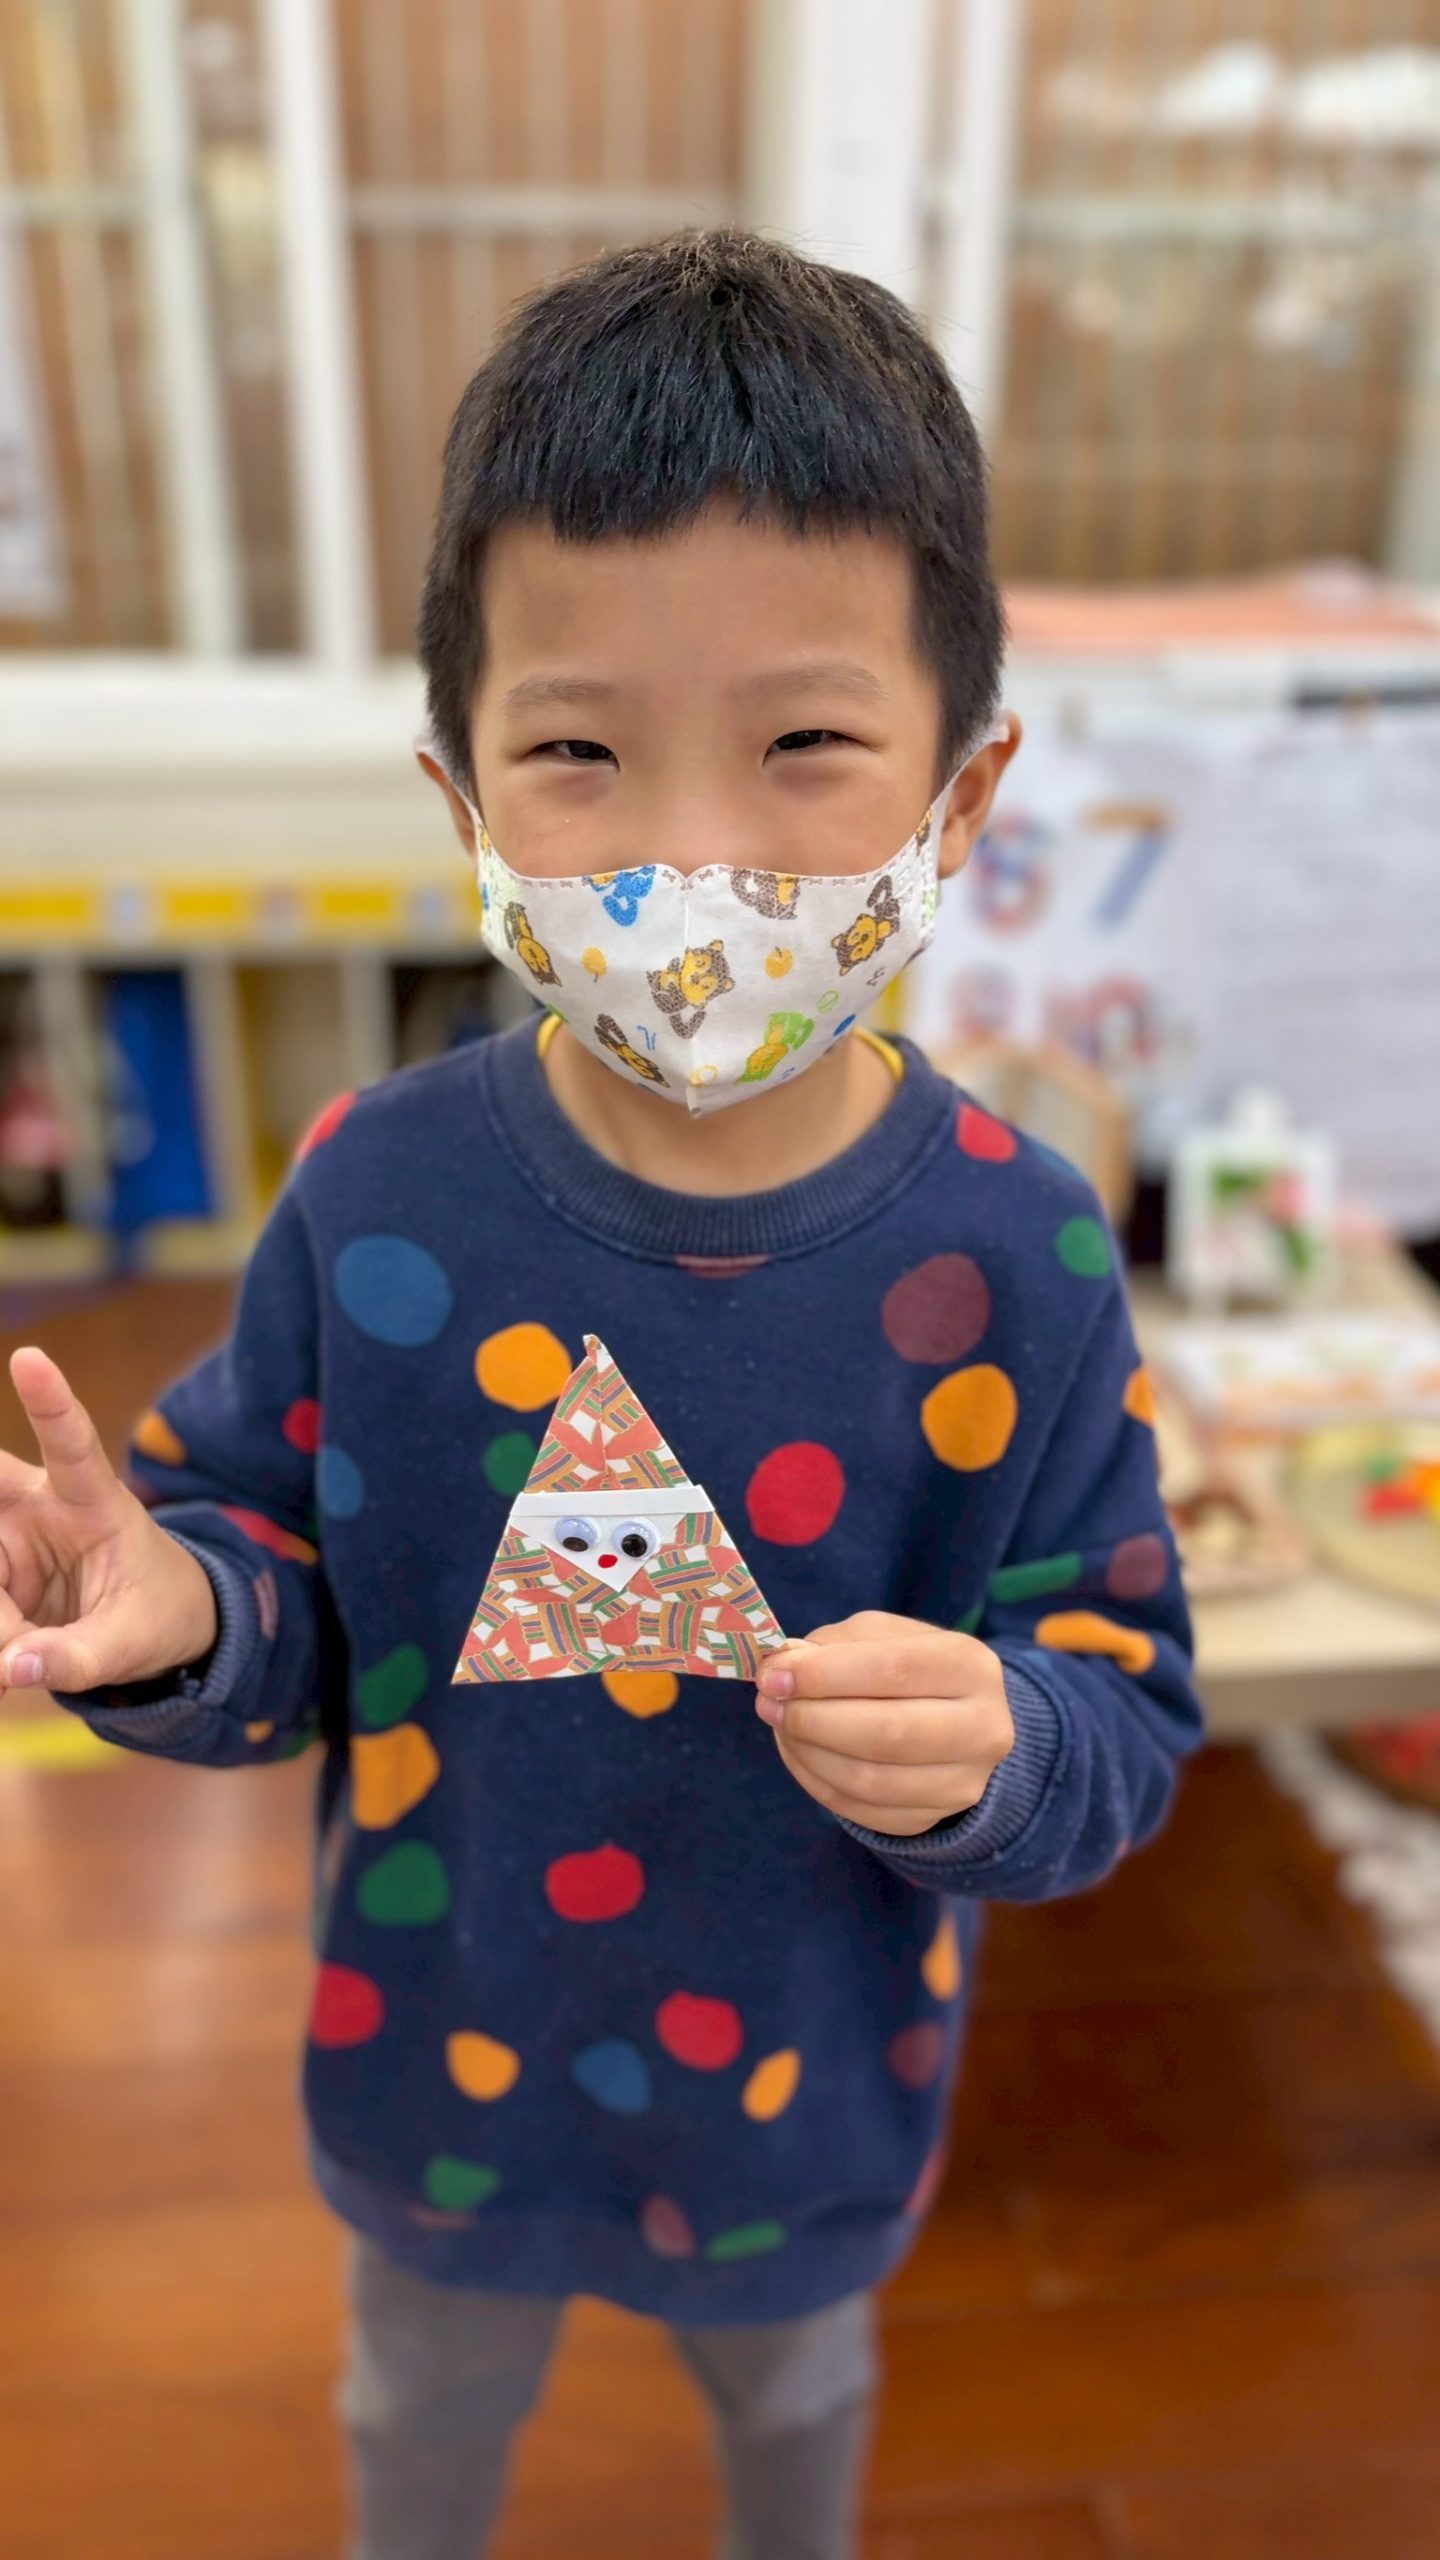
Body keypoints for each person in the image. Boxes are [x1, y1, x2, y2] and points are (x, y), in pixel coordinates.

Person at [0, 231, 1202, 2560]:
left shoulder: (1024, 1250)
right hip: (441, 2065)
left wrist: (1008, 1740)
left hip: (815, 2091)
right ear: (461, 792)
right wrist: (174, 1610)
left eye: (807, 744)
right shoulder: (373, 1191)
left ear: (962, 794)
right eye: (578, 751)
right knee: (415, 2422)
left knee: (800, 2414)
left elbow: (1123, 1699)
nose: (695, 859)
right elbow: (267, 1588)